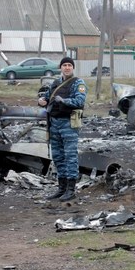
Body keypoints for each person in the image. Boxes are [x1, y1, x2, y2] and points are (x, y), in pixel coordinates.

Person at [38, 57, 87, 202]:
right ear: (60, 67)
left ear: (73, 67)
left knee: (70, 156)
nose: (67, 67)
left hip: (69, 123)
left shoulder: (78, 83)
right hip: (55, 123)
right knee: (58, 157)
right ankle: (62, 188)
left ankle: (71, 190)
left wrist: (64, 101)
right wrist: (42, 101)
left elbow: (80, 101)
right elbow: (47, 98)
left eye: (69, 65)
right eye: (64, 65)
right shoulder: (56, 83)